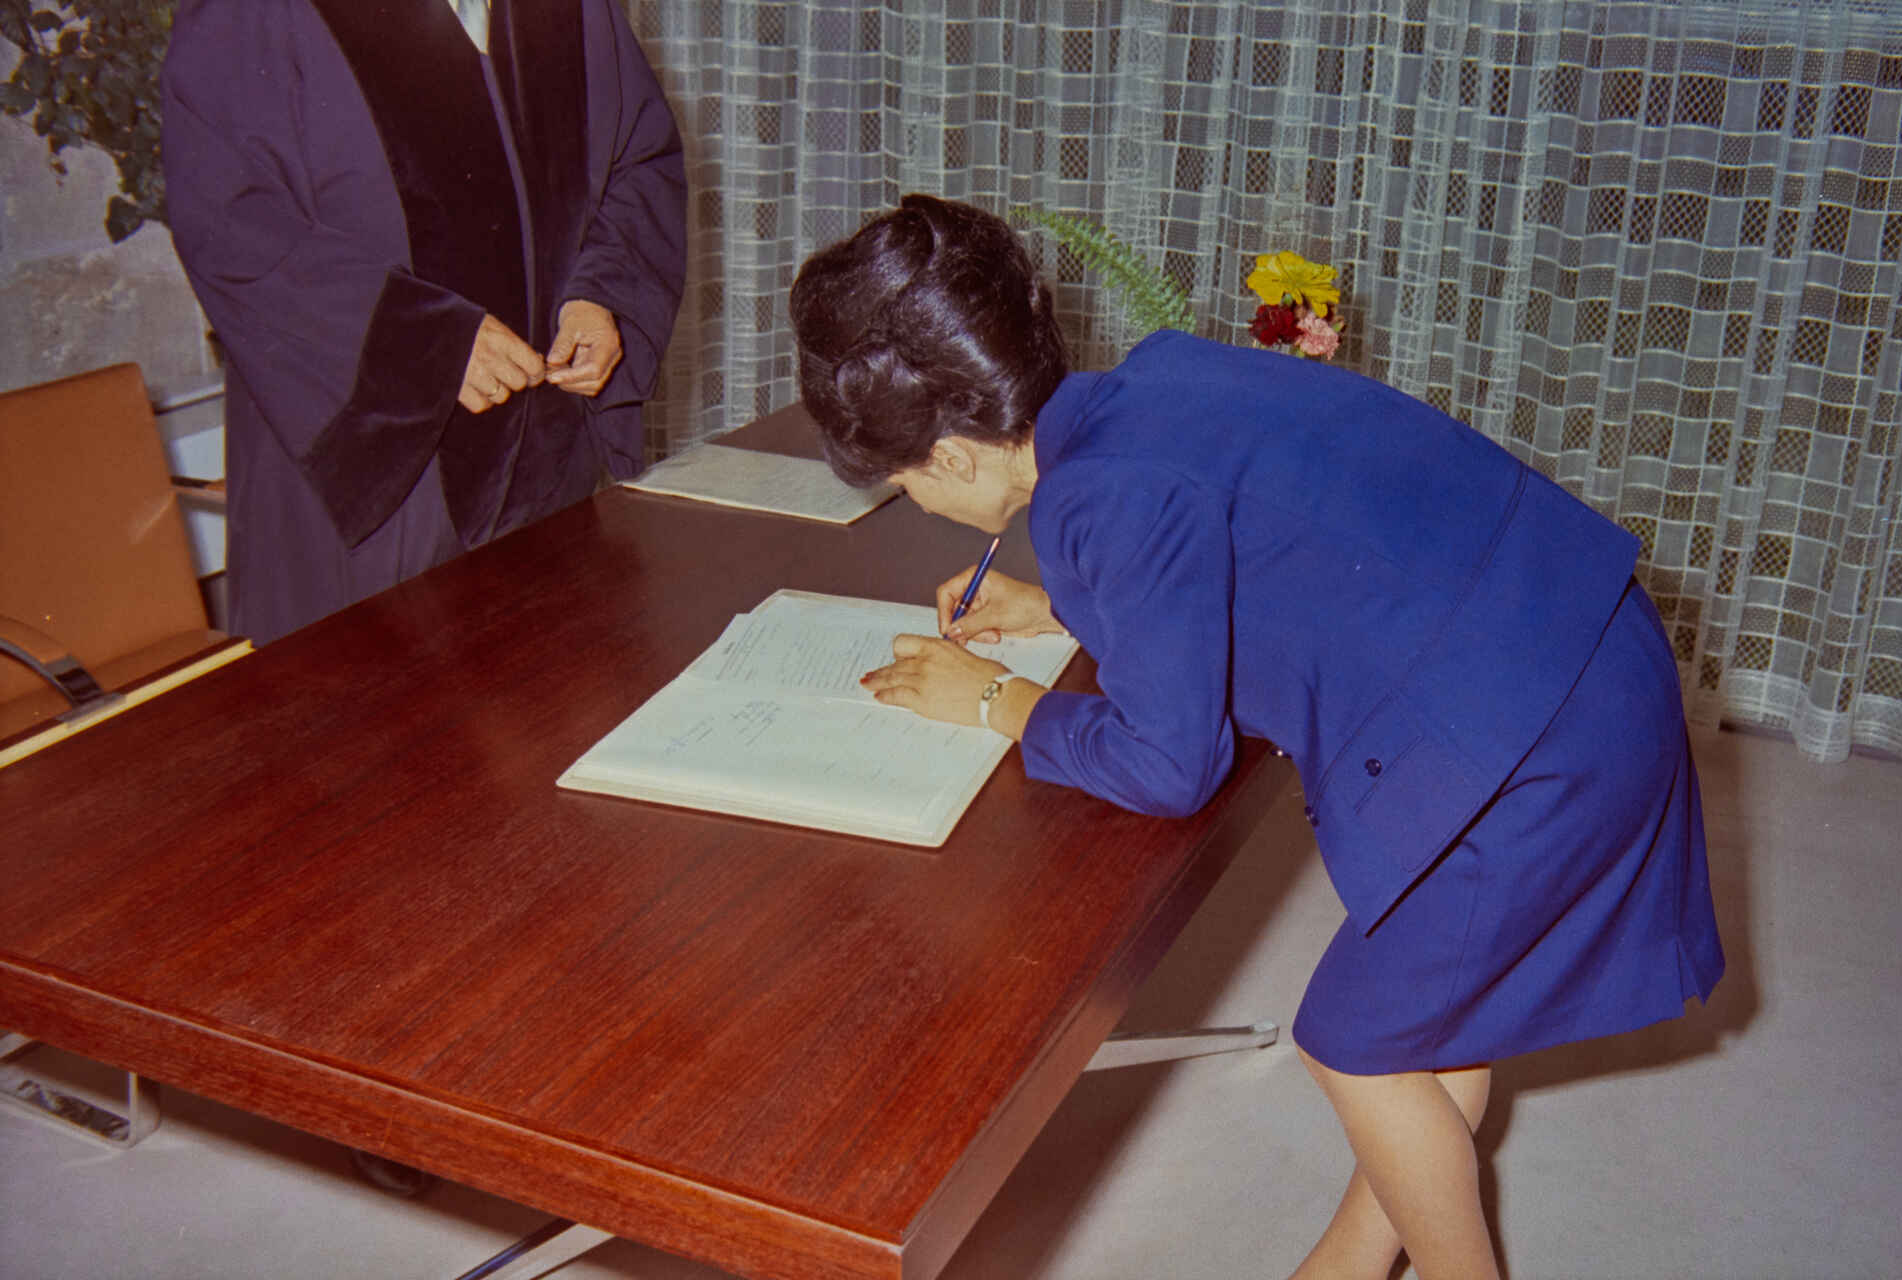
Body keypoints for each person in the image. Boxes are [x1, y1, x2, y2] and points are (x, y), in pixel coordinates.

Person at [790, 195, 1725, 1280]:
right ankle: (1343, 1265)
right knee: (1420, 1019)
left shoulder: (1097, 504)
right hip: (1589, 647)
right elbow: (1250, 533)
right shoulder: (1157, 377)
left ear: (951, 458)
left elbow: (1166, 763)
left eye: (906, 482)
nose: (919, 498)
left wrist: (995, 698)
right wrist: (1065, 606)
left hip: (1534, 747)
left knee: (1353, 1041)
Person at [161, 0, 687, 644]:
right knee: (373, 718)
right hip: (374, 468)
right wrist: (427, 345)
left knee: (554, 694)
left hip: (548, 459)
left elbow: (638, 161)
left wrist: (601, 295)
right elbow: (231, 223)